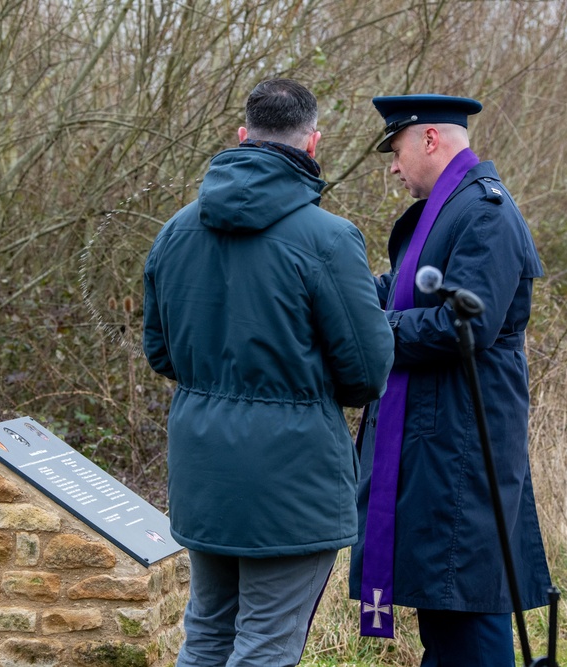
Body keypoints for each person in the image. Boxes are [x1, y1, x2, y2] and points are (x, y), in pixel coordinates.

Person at [142, 78, 395, 667]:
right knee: (267, 645)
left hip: (204, 467)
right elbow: (367, 371)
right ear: (313, 143)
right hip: (292, 475)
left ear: (241, 136)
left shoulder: (176, 232)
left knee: (206, 633)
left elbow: (162, 354)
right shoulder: (329, 240)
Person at [348, 94, 552, 666]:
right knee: (442, 608)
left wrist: (371, 329)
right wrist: (338, 293)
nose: (392, 164)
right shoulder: (445, 211)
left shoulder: (483, 211)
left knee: (466, 605)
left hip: (466, 443)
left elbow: (464, 325)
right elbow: (397, 290)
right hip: (437, 440)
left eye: (395, 149)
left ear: (430, 139)